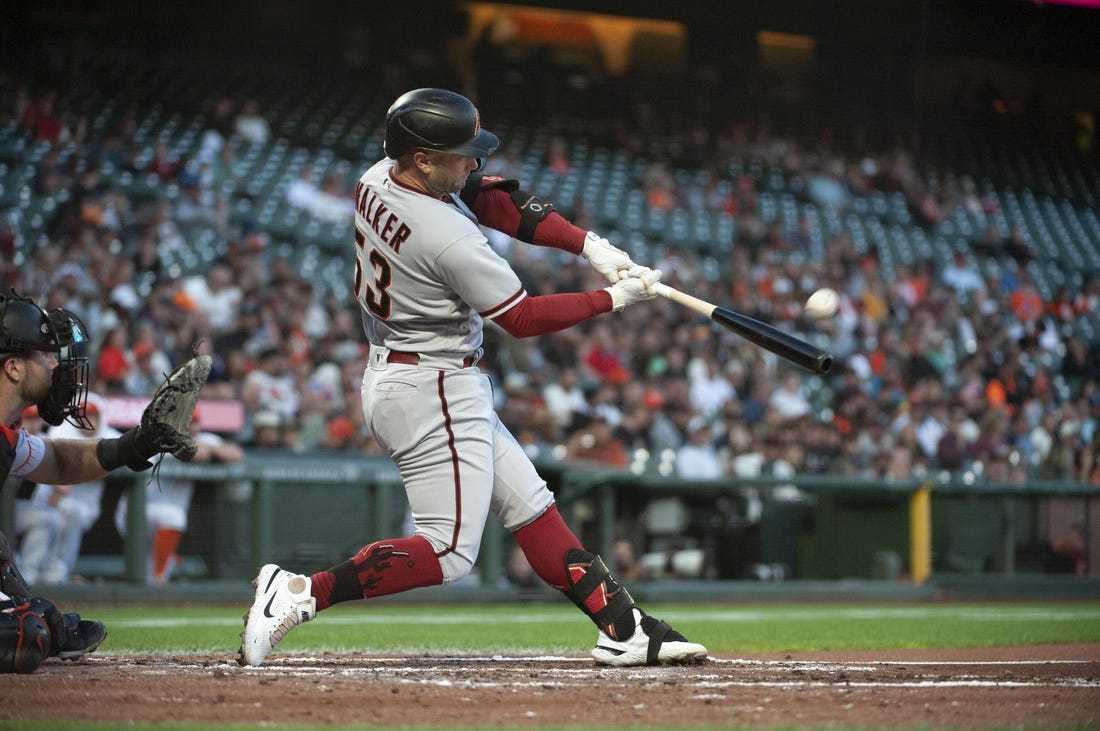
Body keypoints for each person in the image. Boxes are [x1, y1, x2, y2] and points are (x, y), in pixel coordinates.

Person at [239, 88, 707, 668]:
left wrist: (588, 244)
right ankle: (301, 592)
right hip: (431, 385)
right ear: (422, 159)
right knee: (449, 553)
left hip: (415, 372)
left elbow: (490, 197)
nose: (474, 163)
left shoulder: (377, 176)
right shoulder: (447, 237)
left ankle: (623, 627)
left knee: (532, 508)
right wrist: (613, 298)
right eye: (461, 154)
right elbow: (522, 318)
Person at [1, 292, 207, 673]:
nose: (55, 365)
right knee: (25, 632)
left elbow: (58, 461)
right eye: (45, 356)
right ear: (13, 367)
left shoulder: (9, 432)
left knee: (39, 620)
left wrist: (136, 444)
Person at [115, 408, 245, 584]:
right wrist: (207, 449)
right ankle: (157, 579)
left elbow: (236, 454)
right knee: (171, 519)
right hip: (136, 510)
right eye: (186, 422)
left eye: (194, 422)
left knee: (152, 566)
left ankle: (156, 585)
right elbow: (198, 454)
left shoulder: (203, 439)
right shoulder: (161, 437)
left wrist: (211, 447)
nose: (191, 426)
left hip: (162, 516)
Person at [16, 393, 119, 585]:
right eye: (27, 418)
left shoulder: (43, 440)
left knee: (60, 515)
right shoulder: (49, 436)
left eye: (92, 415)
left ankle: (48, 572)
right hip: (30, 506)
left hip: (57, 506)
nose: (87, 419)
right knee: (54, 516)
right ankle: (31, 572)